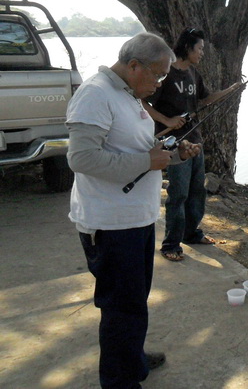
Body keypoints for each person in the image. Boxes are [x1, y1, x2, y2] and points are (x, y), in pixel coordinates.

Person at [66, 32, 202, 388]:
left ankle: (132, 359)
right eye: (156, 75)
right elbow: (81, 158)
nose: (158, 85)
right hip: (110, 225)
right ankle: (120, 381)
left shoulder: (128, 94)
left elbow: (140, 147)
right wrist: (147, 159)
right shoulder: (95, 95)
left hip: (136, 220)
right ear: (133, 65)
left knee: (134, 303)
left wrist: (172, 153)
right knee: (120, 308)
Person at [144, 28, 237, 262]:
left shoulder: (194, 74)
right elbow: (142, 102)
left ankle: (191, 233)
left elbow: (204, 100)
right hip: (174, 144)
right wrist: (167, 120)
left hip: (195, 140)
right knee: (179, 193)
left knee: (197, 191)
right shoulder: (165, 75)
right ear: (187, 48)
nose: (202, 53)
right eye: (200, 48)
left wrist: (230, 91)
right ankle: (170, 244)